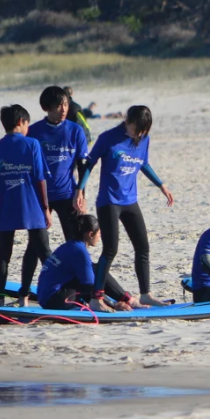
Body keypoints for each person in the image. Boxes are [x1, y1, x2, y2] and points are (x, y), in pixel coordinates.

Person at [26, 87, 136, 309]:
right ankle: (26, 294)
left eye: (66, 104)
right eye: (59, 106)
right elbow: (29, 169)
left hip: (68, 194)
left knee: (77, 245)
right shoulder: (34, 132)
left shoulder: (75, 130)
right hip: (40, 197)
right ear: (46, 107)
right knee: (36, 245)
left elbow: (83, 165)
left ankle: (81, 290)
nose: (64, 109)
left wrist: (81, 194)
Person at [78, 104, 173, 307]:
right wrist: (80, 189)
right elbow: (90, 163)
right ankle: (96, 297)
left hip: (130, 200)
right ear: (127, 121)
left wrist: (161, 184)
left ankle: (146, 294)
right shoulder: (108, 138)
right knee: (111, 249)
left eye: (143, 131)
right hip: (109, 201)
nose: (138, 134)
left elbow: (143, 163)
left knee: (143, 246)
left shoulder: (143, 138)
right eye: (136, 129)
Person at [0, 104, 52, 306]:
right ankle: (38, 294)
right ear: (21, 122)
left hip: (6, 208)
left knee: (4, 254)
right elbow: (40, 180)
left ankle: (0, 299)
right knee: (44, 252)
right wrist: (46, 209)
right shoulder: (32, 144)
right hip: (32, 207)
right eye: (27, 124)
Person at [36, 215, 121, 312]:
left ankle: (124, 298)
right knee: (97, 270)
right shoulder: (80, 250)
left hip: (45, 298)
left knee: (91, 272)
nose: (99, 236)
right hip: (55, 300)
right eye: (99, 233)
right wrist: (112, 304)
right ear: (90, 234)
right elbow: (89, 284)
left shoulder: (69, 245)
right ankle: (124, 299)